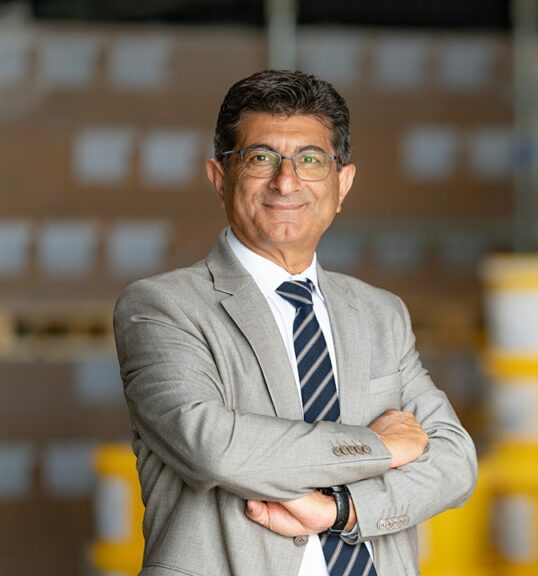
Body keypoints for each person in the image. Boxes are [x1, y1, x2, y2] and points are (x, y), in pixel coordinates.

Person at [113, 69, 477, 576]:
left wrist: (341, 510)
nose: (286, 182)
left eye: (310, 160)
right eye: (261, 158)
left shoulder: (380, 313)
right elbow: (214, 447)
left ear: (342, 183)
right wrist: (380, 447)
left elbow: (454, 459)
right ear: (220, 178)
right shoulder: (162, 307)